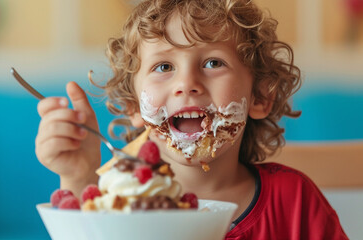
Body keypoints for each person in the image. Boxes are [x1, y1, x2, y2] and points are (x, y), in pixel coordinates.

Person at [35, 0, 348, 239]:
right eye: (164, 67)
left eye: (213, 62)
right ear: (133, 105)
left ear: (260, 97)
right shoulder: (118, 205)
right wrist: (78, 178)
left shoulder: (294, 201)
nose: (187, 82)